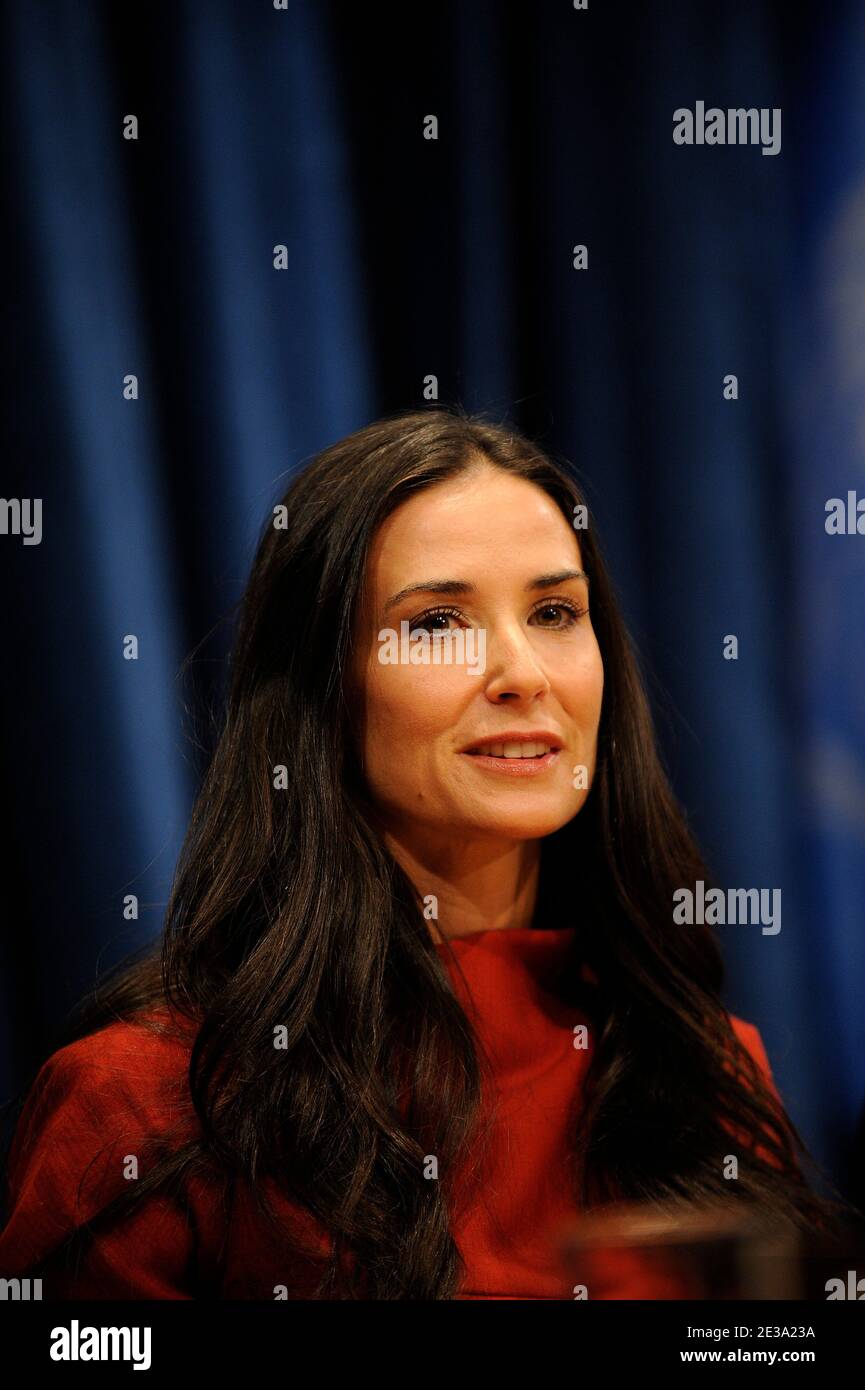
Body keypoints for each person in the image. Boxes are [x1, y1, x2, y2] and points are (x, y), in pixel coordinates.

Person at [0, 407, 854, 1299]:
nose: (523, 672)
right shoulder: (146, 1100)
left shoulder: (701, 1068)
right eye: (439, 621)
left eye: (556, 611)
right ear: (324, 692)